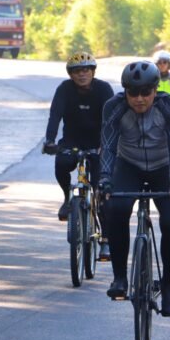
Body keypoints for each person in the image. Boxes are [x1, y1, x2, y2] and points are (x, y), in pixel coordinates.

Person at [99, 61, 170, 317]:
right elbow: (108, 144)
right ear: (125, 91)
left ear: (155, 89)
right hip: (129, 165)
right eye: (133, 93)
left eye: (145, 93)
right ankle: (119, 278)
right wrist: (105, 179)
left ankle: (169, 287)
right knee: (116, 209)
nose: (139, 99)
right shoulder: (113, 107)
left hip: (163, 167)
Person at [42, 52, 114, 259]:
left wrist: (106, 145)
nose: (82, 74)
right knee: (61, 163)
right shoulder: (64, 89)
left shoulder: (103, 89)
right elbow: (55, 115)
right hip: (72, 140)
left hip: (99, 142)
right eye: (77, 71)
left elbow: (111, 119)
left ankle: (106, 240)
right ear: (71, 74)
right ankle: (67, 197)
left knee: (102, 190)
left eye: (86, 70)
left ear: (93, 72)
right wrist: (49, 140)